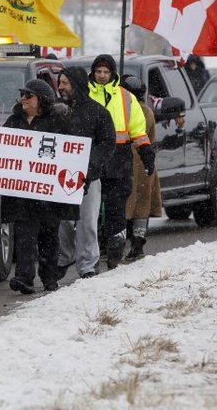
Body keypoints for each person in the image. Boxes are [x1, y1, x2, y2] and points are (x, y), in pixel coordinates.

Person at [1, 79, 74, 294]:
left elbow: (69, 152)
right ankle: (24, 278)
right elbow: (1, 148)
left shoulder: (57, 123)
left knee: (49, 237)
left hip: (49, 195)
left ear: (41, 100)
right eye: (23, 94)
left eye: (28, 95)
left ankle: (50, 278)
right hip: (23, 195)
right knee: (24, 237)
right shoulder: (14, 121)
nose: (23, 98)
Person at [87, 54, 156, 269]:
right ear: (93, 73)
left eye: (106, 72)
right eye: (98, 71)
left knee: (116, 209)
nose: (102, 76)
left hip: (119, 160)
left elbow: (138, 130)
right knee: (91, 212)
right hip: (91, 160)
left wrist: (146, 154)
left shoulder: (127, 97)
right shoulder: (84, 95)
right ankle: (92, 255)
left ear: (113, 74)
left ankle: (115, 252)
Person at [56, 67, 115, 279]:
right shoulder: (55, 111)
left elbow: (107, 144)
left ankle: (88, 265)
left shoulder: (98, 113)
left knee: (87, 222)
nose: (60, 87)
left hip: (88, 178)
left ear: (77, 85)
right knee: (62, 222)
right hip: (58, 178)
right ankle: (64, 258)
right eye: (59, 83)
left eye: (65, 83)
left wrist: (90, 165)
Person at [121, 75, 162, 262]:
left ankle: (124, 243)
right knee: (141, 205)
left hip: (132, 161)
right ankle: (138, 241)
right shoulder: (147, 111)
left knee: (126, 204)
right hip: (144, 163)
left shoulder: (132, 110)